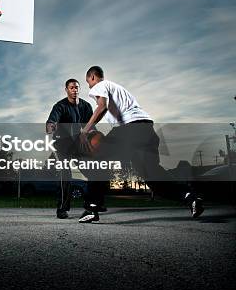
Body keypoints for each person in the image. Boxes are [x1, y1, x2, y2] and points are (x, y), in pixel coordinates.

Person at [79, 66, 204, 223]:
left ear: (92, 77)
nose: (89, 87)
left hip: (129, 130)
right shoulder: (120, 90)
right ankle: (189, 196)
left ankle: (92, 206)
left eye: (88, 82)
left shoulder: (100, 85)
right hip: (147, 129)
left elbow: (102, 106)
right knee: (153, 176)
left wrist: (85, 131)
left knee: (97, 161)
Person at [46, 78, 108, 219]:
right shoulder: (60, 106)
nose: (74, 90)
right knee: (65, 173)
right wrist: (51, 126)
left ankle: (94, 203)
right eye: (71, 88)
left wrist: (93, 137)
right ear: (66, 90)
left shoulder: (85, 106)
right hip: (62, 144)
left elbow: (90, 126)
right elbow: (51, 122)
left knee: (93, 169)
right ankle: (62, 208)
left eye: (76, 87)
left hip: (79, 143)